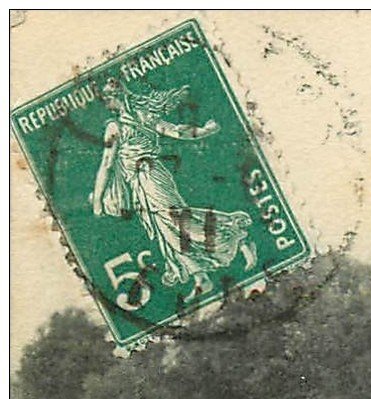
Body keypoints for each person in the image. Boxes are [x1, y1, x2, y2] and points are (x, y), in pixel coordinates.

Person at [89, 79, 255, 301]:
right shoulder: (137, 117)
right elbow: (177, 132)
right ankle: (200, 277)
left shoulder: (119, 125)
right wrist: (204, 131)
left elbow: (107, 164)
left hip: (152, 178)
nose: (106, 105)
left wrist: (98, 199)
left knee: (178, 220)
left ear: (115, 98)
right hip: (139, 185)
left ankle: (237, 238)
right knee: (165, 230)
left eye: (107, 100)